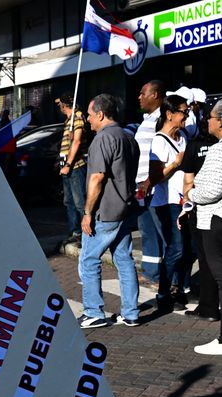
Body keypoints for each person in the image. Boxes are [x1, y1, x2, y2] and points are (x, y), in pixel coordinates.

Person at [78, 94, 141, 328]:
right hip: (125, 207)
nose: (87, 120)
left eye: (90, 115)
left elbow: (97, 177)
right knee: (124, 259)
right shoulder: (128, 137)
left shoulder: (102, 139)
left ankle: (93, 311)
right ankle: (131, 312)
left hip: (104, 211)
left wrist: (87, 213)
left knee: (89, 260)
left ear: (101, 114)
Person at [186, 100, 222, 354]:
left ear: (221, 121)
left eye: (210, 117)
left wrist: (191, 192)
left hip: (215, 219)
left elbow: (212, 189)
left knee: (221, 277)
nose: (207, 121)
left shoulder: (219, 150)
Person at [148, 94, 189, 312]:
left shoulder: (182, 136)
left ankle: (178, 289)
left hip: (185, 201)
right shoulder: (159, 140)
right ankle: (164, 292)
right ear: (170, 114)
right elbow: (156, 177)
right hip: (168, 202)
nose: (186, 116)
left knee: (185, 248)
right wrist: (176, 163)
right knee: (177, 248)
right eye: (183, 111)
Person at [181, 103, 219, 321]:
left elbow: (188, 181)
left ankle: (208, 307)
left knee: (206, 260)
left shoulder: (195, 146)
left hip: (203, 210)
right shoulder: (218, 145)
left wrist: (188, 201)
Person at [134, 80, 166, 288]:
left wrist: (149, 181)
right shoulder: (148, 119)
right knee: (147, 231)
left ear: (154, 95)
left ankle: (168, 277)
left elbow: (164, 155)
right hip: (141, 185)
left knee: (163, 231)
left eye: (142, 93)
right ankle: (150, 273)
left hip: (153, 185)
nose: (139, 97)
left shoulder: (162, 119)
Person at [55, 92, 90, 244]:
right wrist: (61, 161)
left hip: (75, 166)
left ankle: (85, 233)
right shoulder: (69, 120)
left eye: (59, 104)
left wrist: (68, 164)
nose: (59, 107)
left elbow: (76, 142)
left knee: (79, 201)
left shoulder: (77, 117)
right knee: (69, 201)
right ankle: (75, 231)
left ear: (64, 105)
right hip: (67, 166)